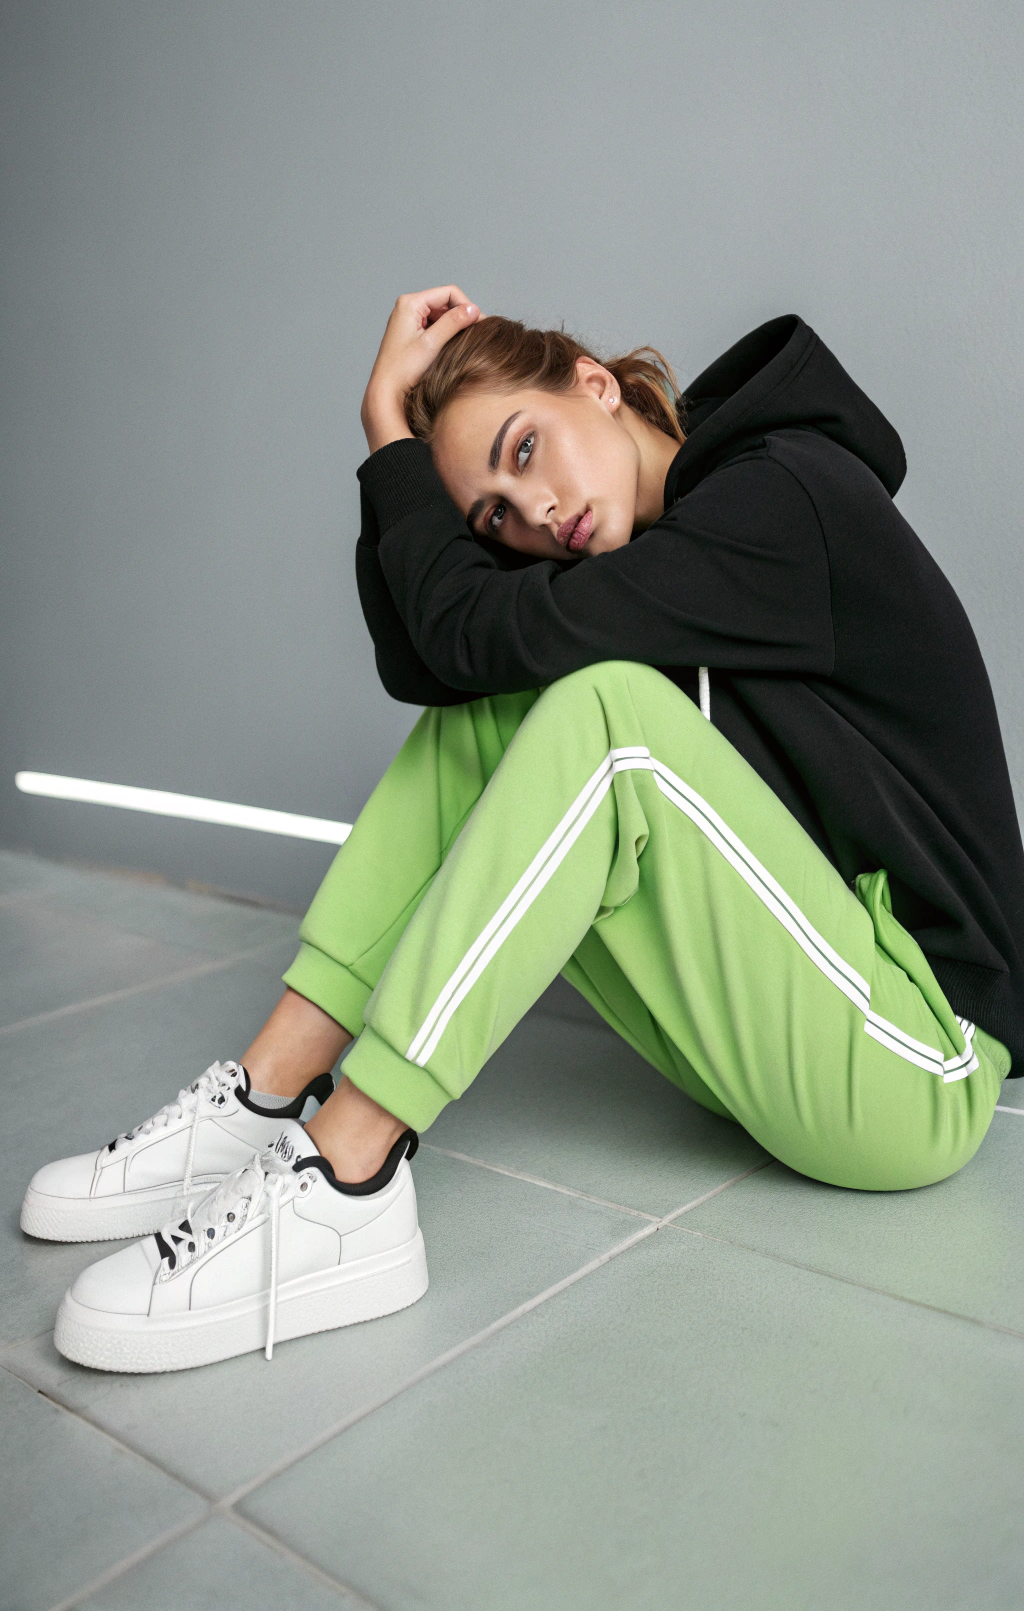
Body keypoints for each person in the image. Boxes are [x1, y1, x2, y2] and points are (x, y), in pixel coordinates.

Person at [23, 288, 1024, 1375]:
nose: (536, 510)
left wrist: (386, 433)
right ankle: (265, 1096)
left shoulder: (784, 499)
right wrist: (399, 455)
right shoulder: (661, 543)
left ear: (594, 381)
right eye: (495, 512)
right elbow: (435, 658)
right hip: (803, 1005)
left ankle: (347, 1179)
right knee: (501, 699)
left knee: (602, 712)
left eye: (526, 447)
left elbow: (472, 631)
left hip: (917, 1062)